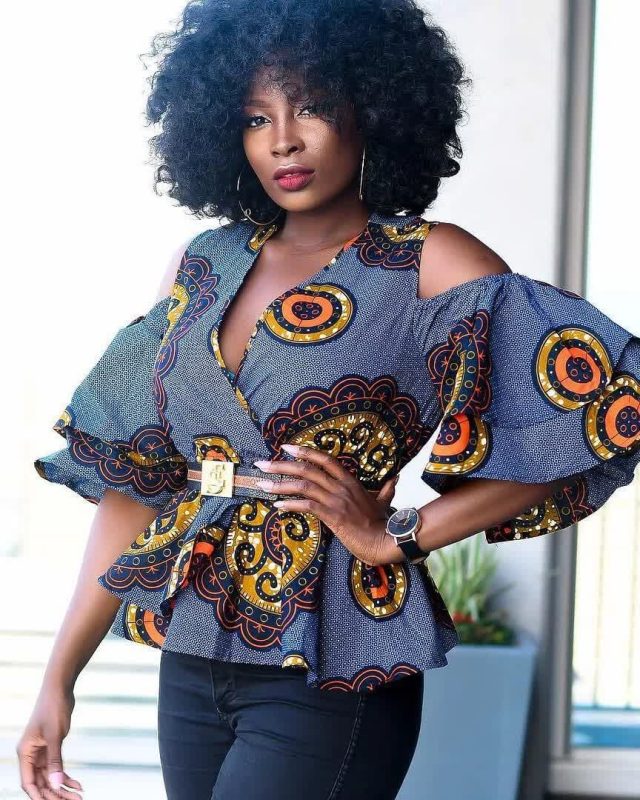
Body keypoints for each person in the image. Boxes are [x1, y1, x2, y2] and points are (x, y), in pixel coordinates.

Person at [17, 0, 640, 798]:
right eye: (256, 117)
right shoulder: (200, 264)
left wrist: (398, 535)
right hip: (195, 651)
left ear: (371, 109)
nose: (283, 139)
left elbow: (600, 409)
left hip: (336, 655)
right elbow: (139, 483)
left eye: (310, 106)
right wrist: (58, 679)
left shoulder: (427, 261)